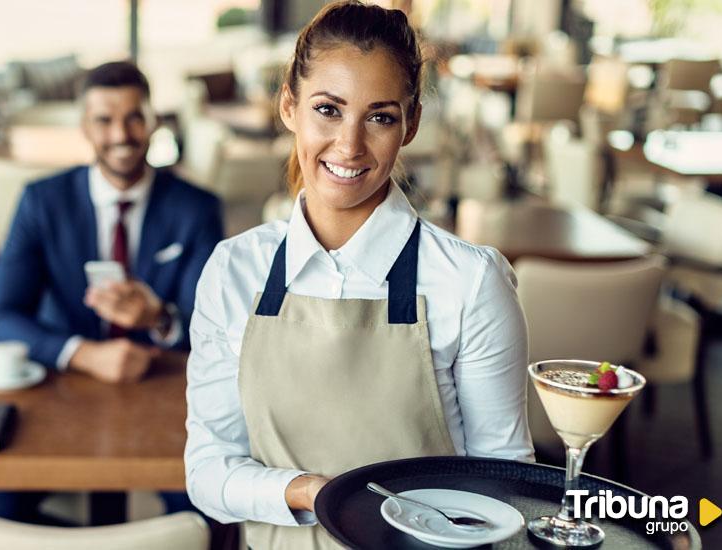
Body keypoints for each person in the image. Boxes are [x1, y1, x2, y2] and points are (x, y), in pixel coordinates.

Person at [184, 2, 533, 549]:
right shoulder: (235, 270)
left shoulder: (470, 283)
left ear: (411, 124)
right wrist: (313, 492)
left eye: (380, 116)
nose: (349, 146)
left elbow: (506, 484)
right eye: (328, 109)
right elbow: (207, 473)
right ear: (289, 106)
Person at [0, 61, 223, 524]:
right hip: (60, 391)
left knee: (208, 511)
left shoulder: (196, 209)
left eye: (134, 117)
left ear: (154, 122)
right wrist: (84, 354)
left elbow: (212, 330)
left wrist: (160, 318)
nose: (120, 134)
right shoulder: (41, 202)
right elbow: (0, 317)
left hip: (166, 396)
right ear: (84, 127)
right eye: (104, 120)